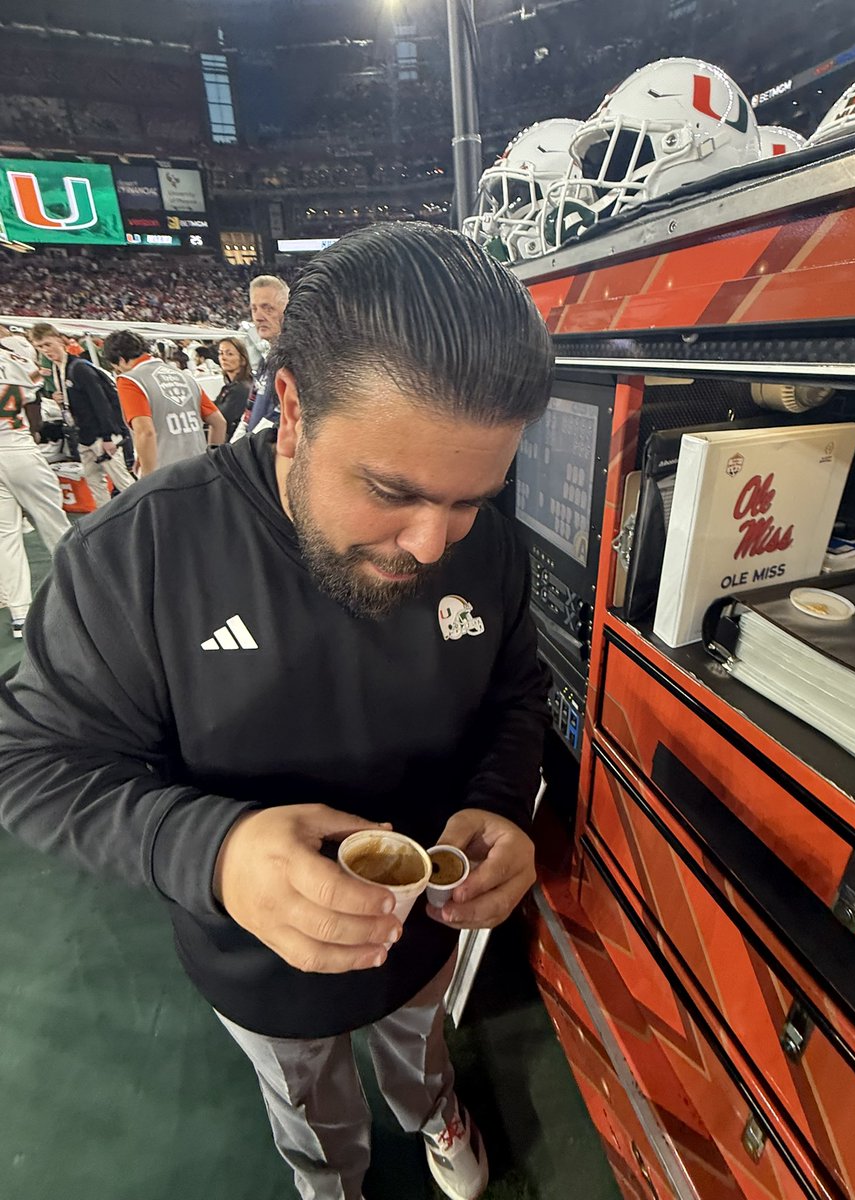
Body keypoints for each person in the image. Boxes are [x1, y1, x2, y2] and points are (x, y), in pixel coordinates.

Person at [0, 222, 553, 1200]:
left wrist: (504, 800)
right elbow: (32, 763)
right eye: (392, 491)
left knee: (421, 1054)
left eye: (471, 499)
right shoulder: (139, 556)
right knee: (309, 1108)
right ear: (291, 409)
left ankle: (435, 1117)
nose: (434, 544)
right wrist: (213, 853)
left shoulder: (492, 551)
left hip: (426, 937)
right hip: (253, 965)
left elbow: (514, 695)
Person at [0, 347, 71, 638]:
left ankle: (20, 613)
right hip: (18, 447)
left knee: (5, 536)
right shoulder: (12, 357)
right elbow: (34, 407)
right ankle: (80, 590)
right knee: (54, 523)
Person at [30, 323, 134, 508]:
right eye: (39, 347)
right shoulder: (56, 370)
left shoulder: (79, 368)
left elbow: (101, 403)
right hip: (83, 435)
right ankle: (105, 521)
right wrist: (60, 399)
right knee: (95, 483)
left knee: (123, 483)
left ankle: (144, 518)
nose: (45, 350)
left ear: (59, 340)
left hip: (101, 436)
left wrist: (108, 436)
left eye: (48, 344)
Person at [103, 330, 226, 476]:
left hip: (166, 476)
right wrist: (212, 459)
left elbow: (145, 432)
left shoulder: (130, 381)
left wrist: (147, 481)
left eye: (116, 367)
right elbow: (219, 422)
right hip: (201, 469)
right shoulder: (185, 377)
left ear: (121, 360)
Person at [233, 273, 289, 439]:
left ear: (287, 309)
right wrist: (236, 442)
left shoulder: (297, 360)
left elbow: (282, 414)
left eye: (267, 308)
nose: (258, 317)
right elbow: (250, 409)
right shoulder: (268, 360)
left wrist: (246, 448)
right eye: (254, 308)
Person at [216, 336, 255, 441]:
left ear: (243, 360)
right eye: (221, 353)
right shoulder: (232, 386)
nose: (223, 358)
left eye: (229, 354)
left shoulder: (240, 389)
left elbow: (220, 419)